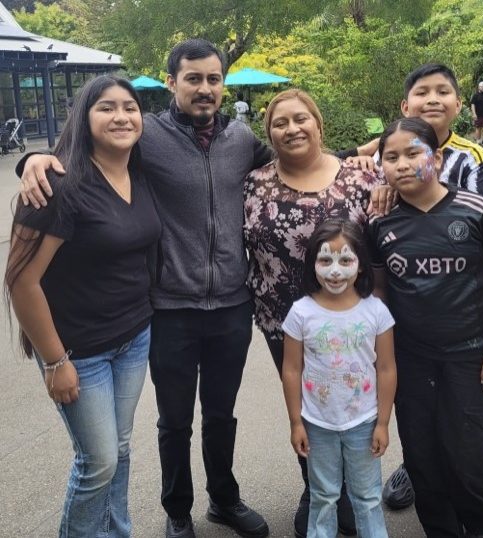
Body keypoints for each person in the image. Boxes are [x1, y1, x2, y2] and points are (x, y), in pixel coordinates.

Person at [17, 39, 273, 538]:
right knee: (173, 421)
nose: (204, 88)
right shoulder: (147, 135)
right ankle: (177, 511)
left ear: (223, 84)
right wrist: (35, 158)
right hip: (169, 308)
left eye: (213, 79)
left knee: (221, 414)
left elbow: (296, 157)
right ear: (172, 81)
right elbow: (80, 150)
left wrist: (367, 157)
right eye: (193, 78)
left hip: (230, 306)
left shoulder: (242, 139)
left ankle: (225, 499)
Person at [4, 75, 162, 537]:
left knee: (122, 448)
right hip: (78, 350)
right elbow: (21, 281)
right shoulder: (59, 184)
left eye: (130, 108)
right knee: (98, 462)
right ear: (83, 117)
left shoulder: (140, 170)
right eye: (106, 108)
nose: (121, 117)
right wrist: (55, 362)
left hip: (133, 336)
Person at [368, 117, 483, 538]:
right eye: (391, 157)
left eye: (413, 153)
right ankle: (439, 527)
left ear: (436, 157)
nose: (401, 164)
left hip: (470, 357)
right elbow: (380, 292)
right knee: (421, 453)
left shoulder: (477, 210)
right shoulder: (380, 224)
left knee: (468, 450)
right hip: (410, 361)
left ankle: (481, 524)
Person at [244, 89, 385, 538]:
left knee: (351, 403)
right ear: (269, 134)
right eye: (280, 123)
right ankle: (318, 488)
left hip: (349, 322)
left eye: (301, 119)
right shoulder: (253, 183)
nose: (292, 129)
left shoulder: (361, 180)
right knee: (306, 407)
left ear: (319, 126)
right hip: (283, 322)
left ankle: (352, 488)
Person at [281, 218, 397, 538]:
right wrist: (296, 422)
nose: (335, 270)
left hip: (364, 422)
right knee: (323, 496)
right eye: (325, 260)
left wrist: (383, 423)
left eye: (345, 260)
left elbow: (386, 368)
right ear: (312, 264)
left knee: (368, 497)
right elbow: (291, 369)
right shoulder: (301, 313)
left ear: (360, 265)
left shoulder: (375, 312)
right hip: (317, 424)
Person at [355, 63, 483, 216]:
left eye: (443, 92)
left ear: (457, 105)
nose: (433, 100)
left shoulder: (472, 158)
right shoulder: (385, 153)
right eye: (422, 93)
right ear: (405, 108)